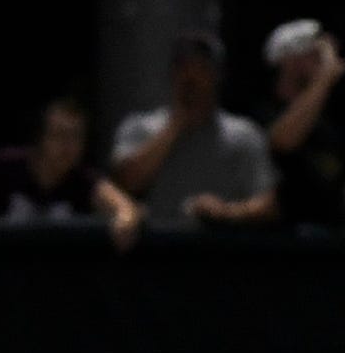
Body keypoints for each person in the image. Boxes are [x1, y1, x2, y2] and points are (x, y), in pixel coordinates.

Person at [108, 33, 279, 229]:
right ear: (172, 74)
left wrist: (227, 212)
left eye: (202, 68)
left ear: (218, 76)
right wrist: (175, 125)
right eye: (184, 67)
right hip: (154, 250)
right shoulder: (140, 127)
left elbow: (270, 204)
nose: (192, 77)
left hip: (220, 250)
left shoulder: (243, 134)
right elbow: (125, 182)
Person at [260, 19, 345, 268]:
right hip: (263, 259)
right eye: (315, 54)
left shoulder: (326, 127)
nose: (324, 61)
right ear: (291, 60)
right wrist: (325, 77)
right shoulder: (262, 112)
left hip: (317, 262)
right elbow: (282, 142)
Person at [0, 97, 143, 249]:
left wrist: (126, 219)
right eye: (59, 135)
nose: (67, 146)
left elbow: (123, 207)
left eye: (76, 137)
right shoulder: (0, 167)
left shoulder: (83, 180)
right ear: (41, 138)